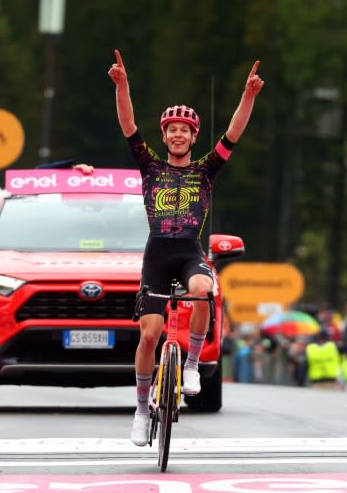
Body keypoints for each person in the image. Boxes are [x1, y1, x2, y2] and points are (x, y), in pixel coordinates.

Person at [108, 49, 264, 446]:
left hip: (189, 251)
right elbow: (128, 124)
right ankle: (142, 411)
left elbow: (234, 133)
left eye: (185, 130)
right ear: (164, 136)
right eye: (171, 129)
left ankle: (192, 364)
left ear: (194, 137)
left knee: (203, 291)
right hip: (157, 254)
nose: (178, 135)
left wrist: (248, 96)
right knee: (150, 335)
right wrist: (123, 86)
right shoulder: (150, 167)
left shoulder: (206, 170)